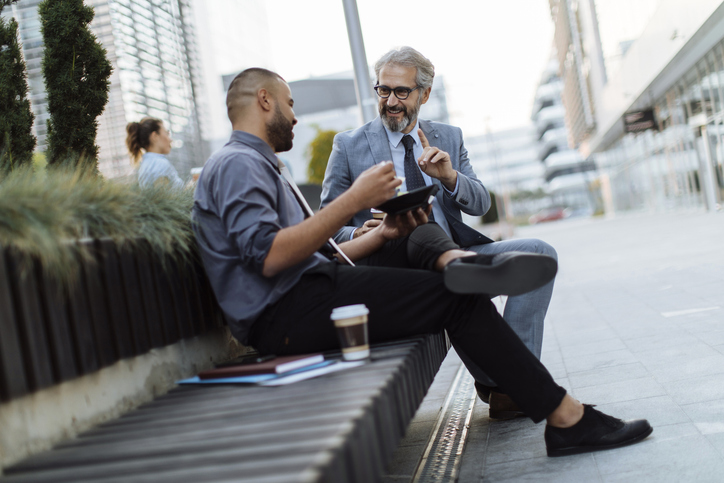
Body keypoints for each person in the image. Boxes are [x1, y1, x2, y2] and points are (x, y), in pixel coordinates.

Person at [191, 67, 652, 457]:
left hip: (312, 291)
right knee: (456, 300)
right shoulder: (236, 164)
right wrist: (354, 199)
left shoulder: (258, 164)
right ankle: (566, 418)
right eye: (290, 104)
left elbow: (315, 255)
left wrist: (386, 232)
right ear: (265, 100)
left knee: (412, 232)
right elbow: (270, 257)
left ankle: (452, 260)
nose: (295, 116)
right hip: (289, 314)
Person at [320, 46, 556, 418]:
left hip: (457, 254)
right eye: (384, 90)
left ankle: (505, 385)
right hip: (395, 267)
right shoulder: (349, 145)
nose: (391, 101)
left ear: (424, 94)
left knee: (540, 252)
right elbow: (327, 226)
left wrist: (449, 177)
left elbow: (479, 204)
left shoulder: (448, 136)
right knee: (448, 280)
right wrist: (359, 232)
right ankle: (514, 384)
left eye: (402, 92)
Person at [126, 117, 184, 189]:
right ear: (155, 136)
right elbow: (165, 198)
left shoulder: (145, 165)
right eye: (167, 133)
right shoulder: (159, 164)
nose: (170, 140)